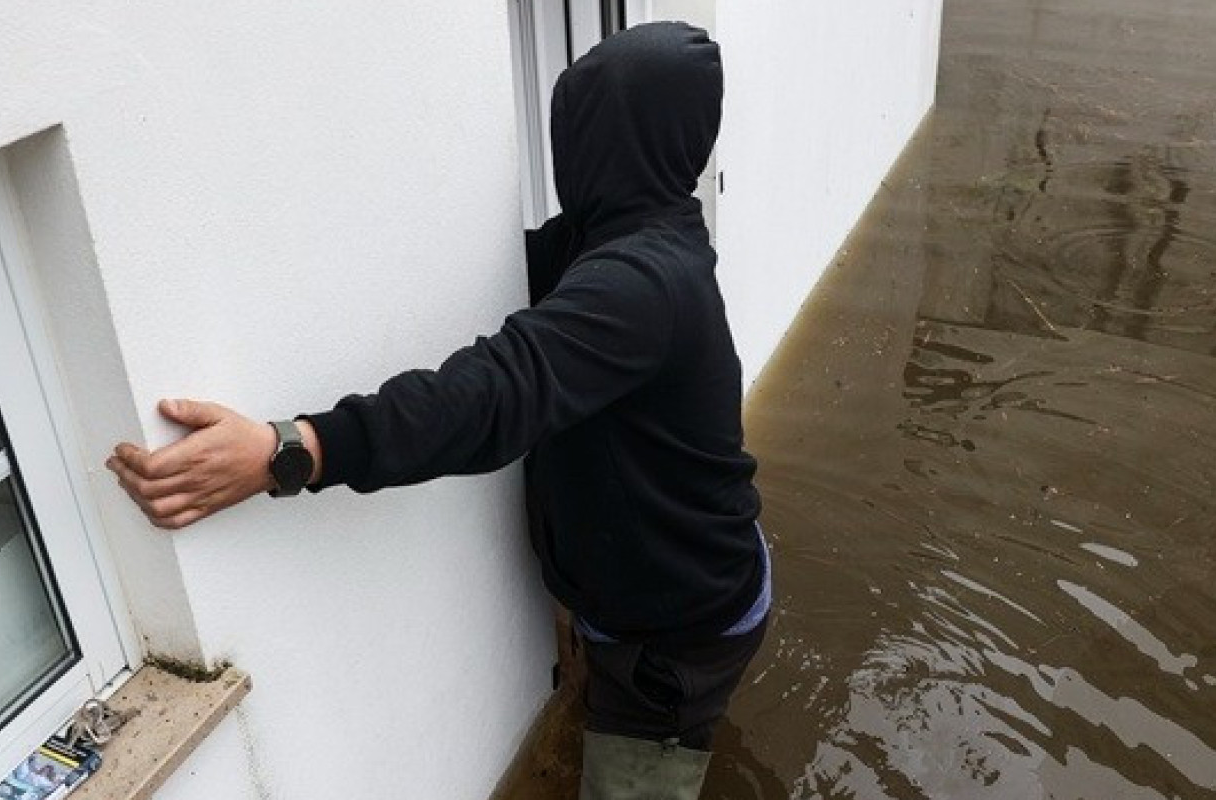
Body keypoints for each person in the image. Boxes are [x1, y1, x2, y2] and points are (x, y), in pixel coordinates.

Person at [106, 21, 768, 799]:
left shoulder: (642, 282)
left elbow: (492, 392)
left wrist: (293, 450)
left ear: (611, 141)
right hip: (675, 577)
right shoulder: (615, 236)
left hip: (673, 638)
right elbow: (485, 267)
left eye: (578, 129)